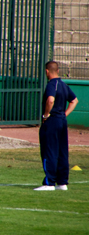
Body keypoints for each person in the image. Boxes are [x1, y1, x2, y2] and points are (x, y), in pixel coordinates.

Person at [35, 61, 78, 191]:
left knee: (49, 150)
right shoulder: (64, 85)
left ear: (47, 71)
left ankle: (49, 182)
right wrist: (64, 114)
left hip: (52, 121)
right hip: (62, 121)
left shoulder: (51, 85)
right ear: (58, 70)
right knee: (62, 151)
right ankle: (62, 182)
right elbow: (74, 100)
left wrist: (46, 115)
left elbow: (50, 100)